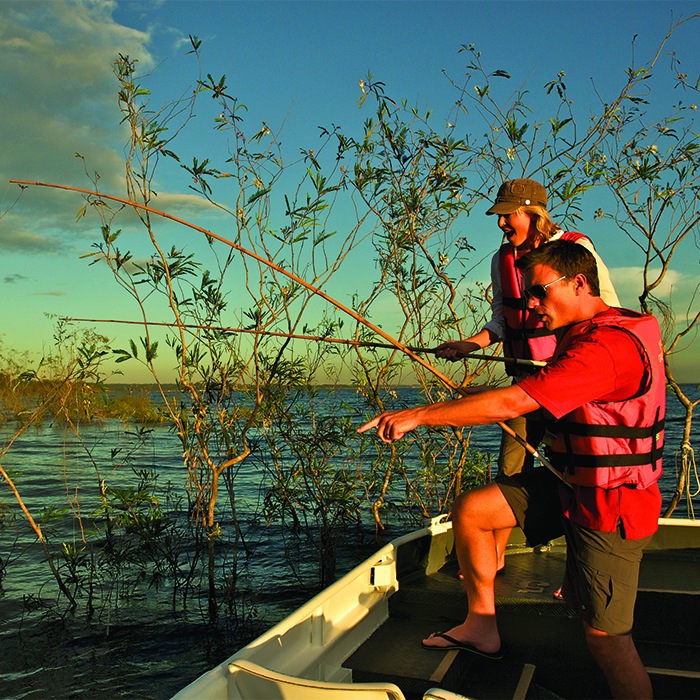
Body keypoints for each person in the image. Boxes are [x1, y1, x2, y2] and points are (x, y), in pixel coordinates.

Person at [359, 240, 664, 700]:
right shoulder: (585, 333)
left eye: (539, 292)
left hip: (610, 503)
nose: (532, 305)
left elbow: (517, 401)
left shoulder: (607, 348)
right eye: (527, 295)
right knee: (474, 511)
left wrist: (420, 415)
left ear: (579, 283)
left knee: (607, 640)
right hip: (569, 485)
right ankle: (482, 627)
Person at [435, 178, 620, 572]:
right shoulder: (500, 260)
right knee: (512, 471)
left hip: (571, 386)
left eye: (507, 215)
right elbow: (501, 321)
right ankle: (496, 558)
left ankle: (581, 570)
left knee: (578, 475)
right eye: (499, 217)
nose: (502, 224)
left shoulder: (575, 252)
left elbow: (607, 310)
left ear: (532, 212)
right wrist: (468, 344)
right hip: (523, 385)